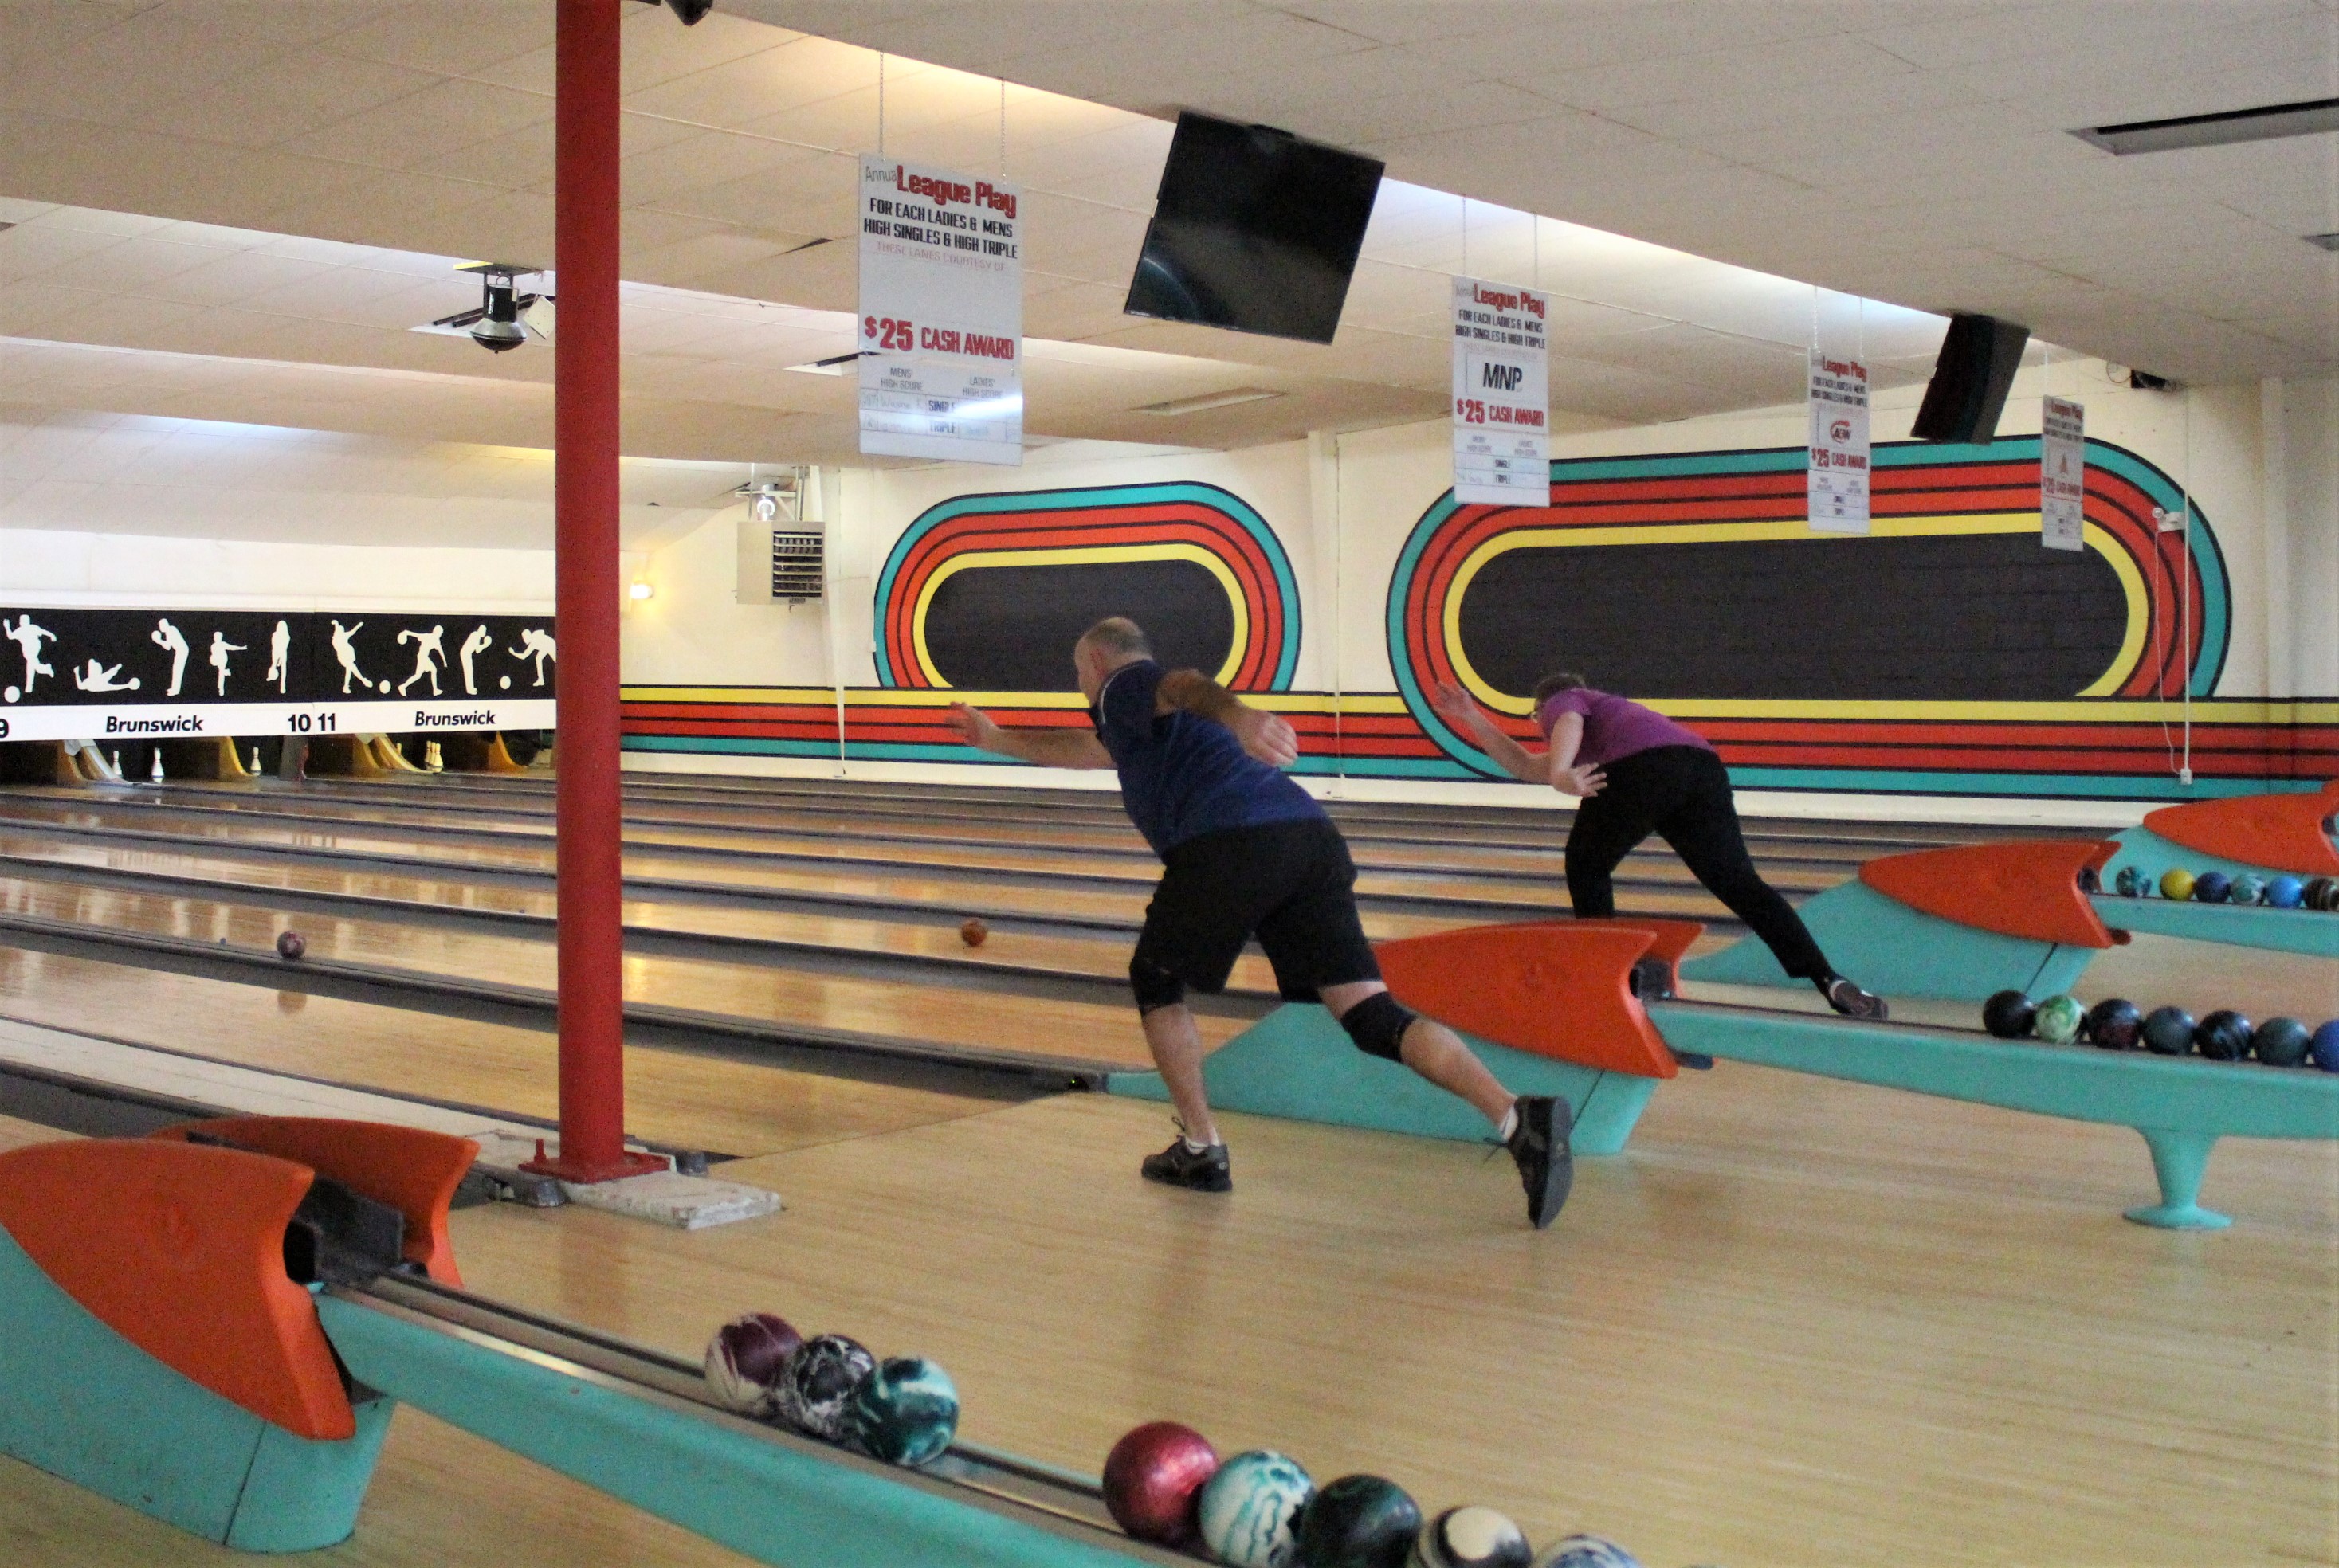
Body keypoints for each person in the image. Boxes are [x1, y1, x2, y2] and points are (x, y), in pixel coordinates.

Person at [944, 617, 1576, 1229]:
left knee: (1155, 978)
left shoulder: (1126, 684)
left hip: (1232, 842)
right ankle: (1517, 1119)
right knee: (1366, 1013)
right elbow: (1085, 751)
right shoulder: (1132, 727)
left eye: (1078, 672)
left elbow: (1184, 683)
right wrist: (995, 739)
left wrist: (1242, 716)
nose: (1081, 686)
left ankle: (1200, 1147)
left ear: (1094, 661)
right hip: (1308, 840)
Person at [1431, 673, 1887, 1020]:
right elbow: (1525, 765)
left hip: (1647, 769)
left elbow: (1563, 722)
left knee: (1586, 864)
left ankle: (1604, 981)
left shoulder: (1568, 699)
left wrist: (1561, 774)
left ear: (1542, 706)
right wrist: (1472, 718)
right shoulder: (1618, 723)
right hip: (1702, 770)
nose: (1541, 727)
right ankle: (1828, 978)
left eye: (1536, 718)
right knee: (1740, 884)